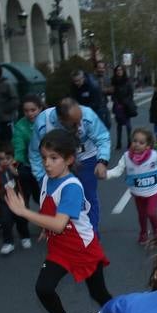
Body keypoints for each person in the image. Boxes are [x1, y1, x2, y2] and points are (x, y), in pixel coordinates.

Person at [1, 129, 122, 313]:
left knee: (98, 293)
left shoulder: (72, 187)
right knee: (43, 288)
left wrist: (23, 212)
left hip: (83, 248)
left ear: (68, 159)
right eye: (44, 157)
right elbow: (51, 214)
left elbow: (59, 222)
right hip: (59, 247)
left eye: (54, 158)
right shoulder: (47, 179)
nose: (47, 163)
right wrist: (44, 229)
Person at [27, 98, 112, 229]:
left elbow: (103, 138)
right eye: (74, 124)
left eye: (80, 121)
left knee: (88, 199)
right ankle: (63, 232)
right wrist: (41, 178)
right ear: (61, 120)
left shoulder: (87, 114)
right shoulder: (43, 122)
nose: (79, 126)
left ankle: (92, 235)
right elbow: (35, 153)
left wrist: (102, 161)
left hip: (85, 158)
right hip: (58, 163)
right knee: (59, 200)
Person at [105, 127, 157, 244]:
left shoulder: (153, 155)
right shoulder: (127, 157)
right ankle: (143, 232)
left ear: (148, 146)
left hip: (154, 189)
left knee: (151, 212)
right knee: (142, 214)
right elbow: (117, 170)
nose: (137, 144)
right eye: (134, 141)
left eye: (141, 143)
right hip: (137, 192)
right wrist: (105, 174)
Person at [7, 95, 43, 250]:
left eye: (33, 110)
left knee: (44, 199)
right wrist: (15, 163)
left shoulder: (48, 121)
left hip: (46, 169)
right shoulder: (21, 126)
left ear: (40, 109)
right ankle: (24, 234)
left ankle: (48, 225)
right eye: (26, 110)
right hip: (27, 169)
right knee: (22, 201)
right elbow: (18, 147)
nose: (30, 113)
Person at [110, 64, 136, 150]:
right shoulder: (113, 81)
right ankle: (118, 143)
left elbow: (130, 94)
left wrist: (126, 102)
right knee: (119, 125)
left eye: (120, 70)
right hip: (117, 106)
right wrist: (116, 102)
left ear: (123, 71)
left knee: (128, 125)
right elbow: (112, 94)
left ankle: (129, 142)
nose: (119, 71)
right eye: (117, 70)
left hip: (126, 106)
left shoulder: (127, 81)